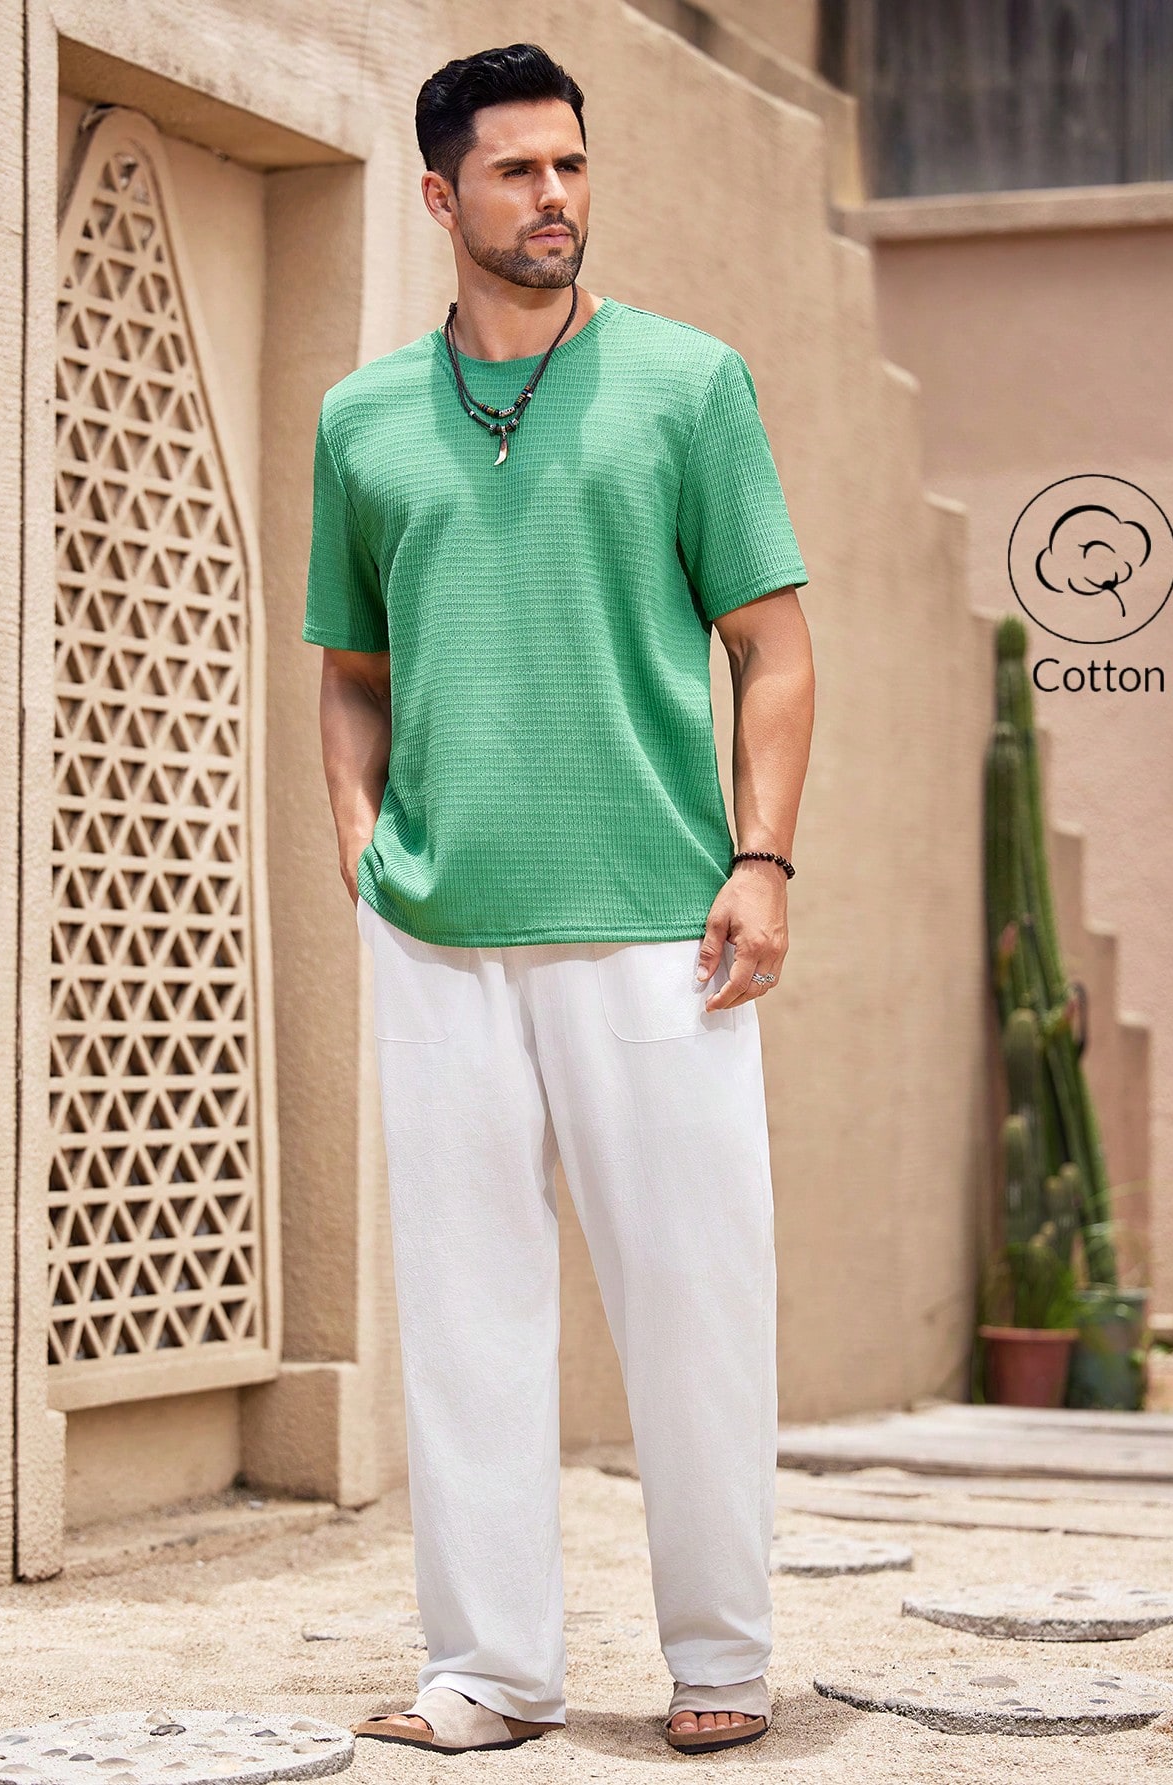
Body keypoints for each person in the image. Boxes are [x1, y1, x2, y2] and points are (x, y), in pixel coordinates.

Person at [302, 40, 815, 1759]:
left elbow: (775, 650)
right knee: (466, 1318)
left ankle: (720, 1651)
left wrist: (762, 859)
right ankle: (491, 1670)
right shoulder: (363, 420)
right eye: (517, 171)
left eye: (572, 165)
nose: (554, 198)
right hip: (438, 928)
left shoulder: (688, 385)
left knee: (695, 1298)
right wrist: (363, 845)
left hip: (661, 923)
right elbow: (351, 665)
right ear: (439, 195)